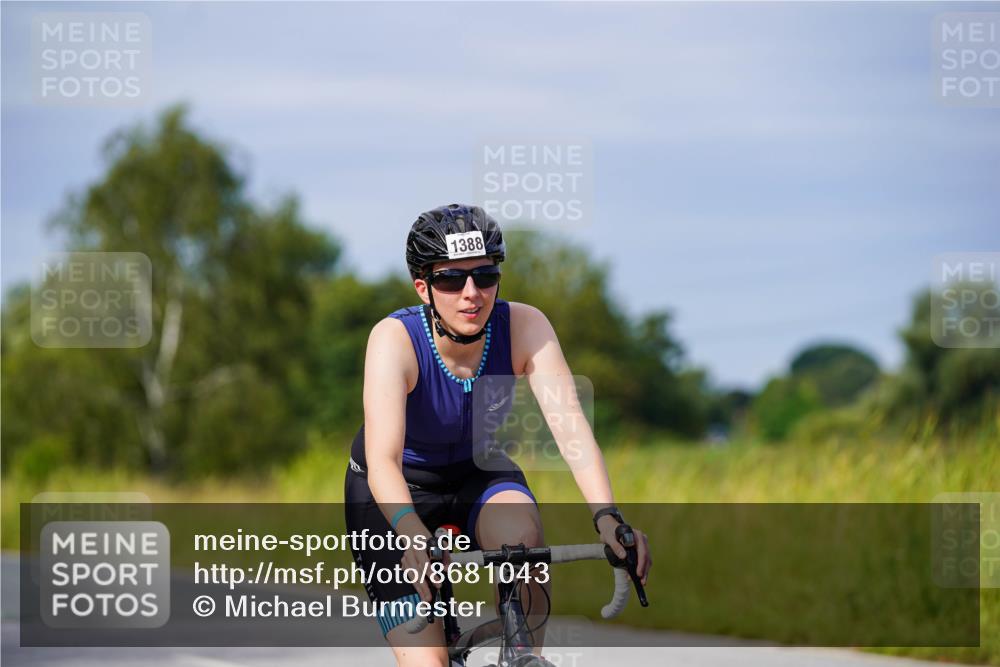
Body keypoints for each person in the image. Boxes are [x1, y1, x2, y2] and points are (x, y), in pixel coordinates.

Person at [344, 204, 651, 666]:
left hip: (477, 472)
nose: (472, 294)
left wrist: (608, 516)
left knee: (521, 539)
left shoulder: (526, 327)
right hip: (393, 488)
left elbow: (570, 427)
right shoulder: (394, 339)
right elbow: (383, 459)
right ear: (423, 287)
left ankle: (522, 656)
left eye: (485, 276)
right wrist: (410, 533)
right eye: (451, 280)